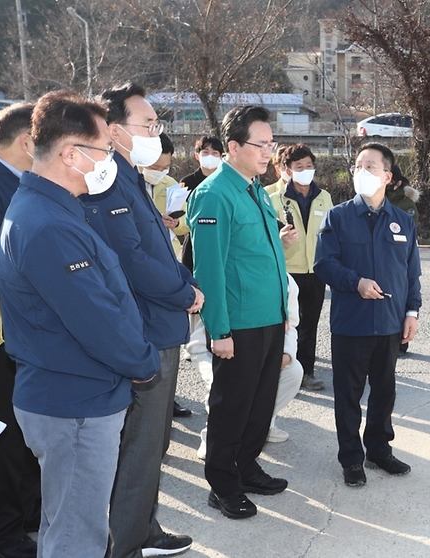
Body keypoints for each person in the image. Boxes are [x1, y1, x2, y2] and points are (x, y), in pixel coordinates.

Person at [0, 89, 160, 558]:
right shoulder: (47, 224)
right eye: (105, 149)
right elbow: (98, 319)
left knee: (66, 524)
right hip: (76, 404)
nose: (111, 159)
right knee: (77, 537)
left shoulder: (52, 209)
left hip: (74, 395)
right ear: (71, 153)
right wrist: (145, 363)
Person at [82, 83, 200, 558]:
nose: (156, 132)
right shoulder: (108, 182)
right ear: (114, 131)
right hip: (145, 328)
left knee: (152, 443)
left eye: (157, 125)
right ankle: (126, 543)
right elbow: (130, 259)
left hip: (158, 321)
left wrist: (183, 279)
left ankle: (142, 529)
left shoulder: (131, 178)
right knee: (142, 444)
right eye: (148, 124)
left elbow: (156, 248)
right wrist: (182, 291)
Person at [187, 105, 290, 519]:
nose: (269, 152)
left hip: (269, 317)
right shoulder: (214, 193)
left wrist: (284, 312)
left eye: (271, 144)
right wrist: (219, 331)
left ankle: (246, 467)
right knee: (232, 406)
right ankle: (223, 484)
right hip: (239, 325)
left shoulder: (255, 189)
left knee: (260, 404)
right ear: (233, 146)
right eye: (260, 144)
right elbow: (209, 270)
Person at [315, 142, 422, 487]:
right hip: (352, 323)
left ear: (388, 177)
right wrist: (355, 282)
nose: (362, 171)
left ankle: (379, 449)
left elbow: (411, 273)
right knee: (348, 394)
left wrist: (412, 312)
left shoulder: (403, 221)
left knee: (384, 392)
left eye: (370, 166)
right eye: (358, 166)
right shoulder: (339, 216)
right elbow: (324, 265)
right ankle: (351, 459)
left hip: (390, 324)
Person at [188, 272, 305, 458]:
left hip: (265, 357)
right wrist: (217, 378)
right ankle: (213, 434)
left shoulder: (287, 282)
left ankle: (262, 424)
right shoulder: (222, 281)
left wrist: (285, 356)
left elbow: (292, 326)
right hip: (223, 360)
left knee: (294, 371)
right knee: (228, 388)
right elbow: (197, 346)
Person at [0, 102, 40, 558]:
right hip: (3, 336)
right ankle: (7, 536)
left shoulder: (17, 186)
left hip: (14, 335)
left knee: (20, 433)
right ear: (29, 143)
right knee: (5, 437)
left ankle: (28, 514)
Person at [270, 143, 333, 392]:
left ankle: (306, 371)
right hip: (287, 271)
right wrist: (280, 240)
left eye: (309, 166)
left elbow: (332, 234)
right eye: (299, 167)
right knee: (284, 323)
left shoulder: (324, 197)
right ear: (287, 169)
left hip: (316, 271)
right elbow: (263, 240)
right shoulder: (272, 198)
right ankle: (277, 371)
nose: (305, 170)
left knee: (310, 324)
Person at [141, 133, 194, 419]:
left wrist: (175, 223)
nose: (160, 172)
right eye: (156, 166)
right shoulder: (125, 185)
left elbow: (186, 225)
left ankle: (168, 398)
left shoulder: (172, 185)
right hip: (142, 265)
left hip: (168, 257)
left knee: (169, 338)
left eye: (165, 167)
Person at [384, 162, 420, 356]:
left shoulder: (407, 205)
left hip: (401, 257)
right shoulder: (379, 199)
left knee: (404, 297)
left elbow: (409, 235)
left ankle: (402, 341)